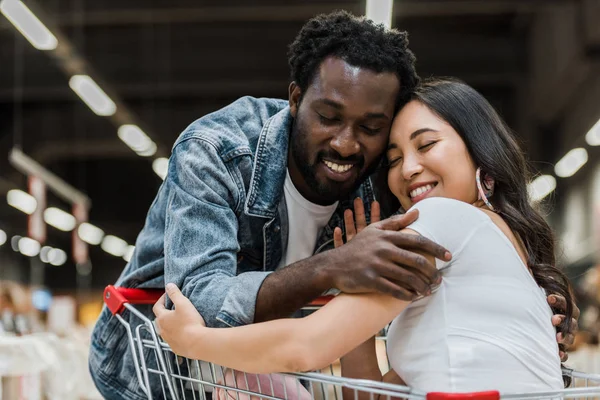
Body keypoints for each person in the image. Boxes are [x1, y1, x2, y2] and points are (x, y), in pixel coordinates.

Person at [90, 11, 576, 399]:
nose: (347, 144)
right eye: (328, 117)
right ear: (296, 100)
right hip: (156, 372)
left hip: (259, 371)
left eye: (373, 130)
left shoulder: (397, 198)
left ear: (481, 156)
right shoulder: (218, 149)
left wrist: (528, 312)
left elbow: (331, 354)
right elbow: (201, 302)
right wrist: (336, 269)